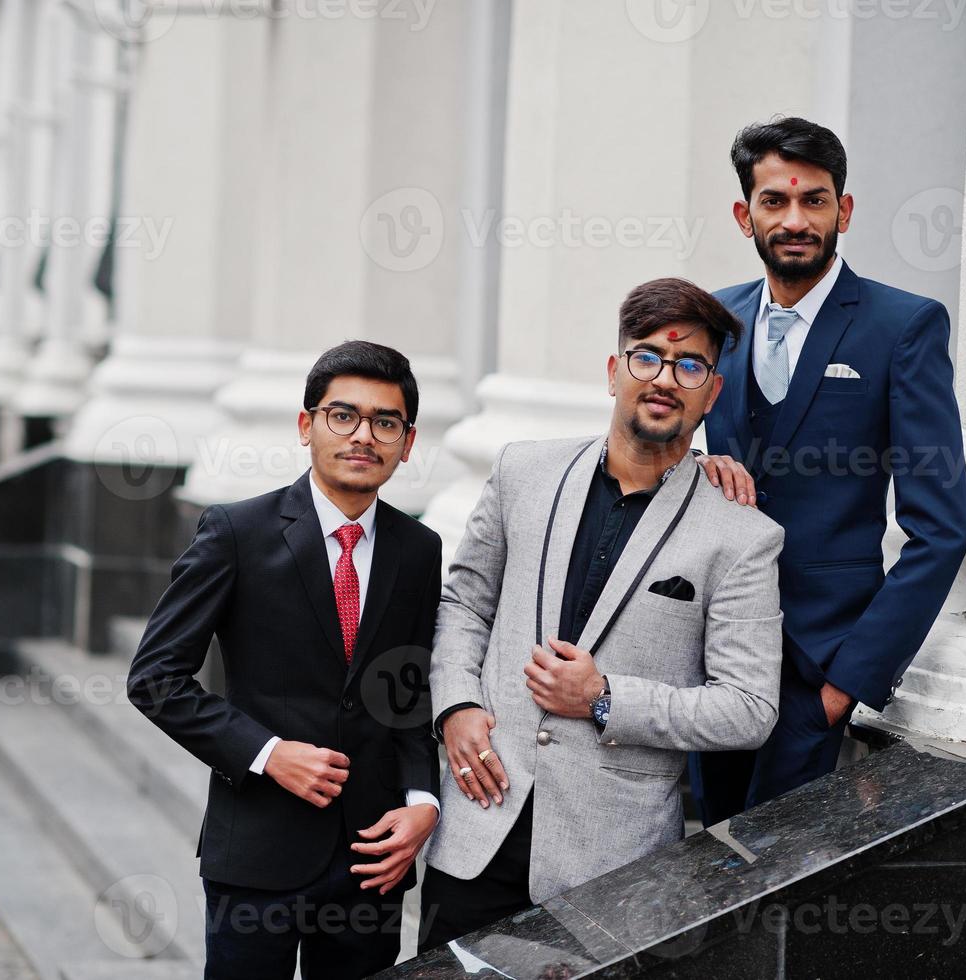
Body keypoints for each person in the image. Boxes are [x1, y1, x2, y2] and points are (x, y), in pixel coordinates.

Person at [419, 278, 784, 949]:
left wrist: (605, 697)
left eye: (689, 365)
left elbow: (749, 709)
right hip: (478, 828)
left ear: (712, 392)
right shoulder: (521, 472)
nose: (664, 379)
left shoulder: (741, 534)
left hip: (611, 864)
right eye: (646, 357)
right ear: (614, 371)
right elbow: (464, 604)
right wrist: (456, 707)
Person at [127, 341, 443, 979]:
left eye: (386, 422)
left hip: (371, 855)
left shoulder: (419, 548)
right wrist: (270, 754)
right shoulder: (236, 533)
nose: (364, 436)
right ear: (307, 426)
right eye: (342, 415)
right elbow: (155, 679)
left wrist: (423, 802)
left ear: (407, 443)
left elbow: (405, 692)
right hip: (258, 852)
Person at [691, 116, 966, 823]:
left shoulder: (901, 326)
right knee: (695, 870)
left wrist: (847, 684)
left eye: (813, 200)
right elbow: (655, 452)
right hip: (710, 657)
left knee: (783, 890)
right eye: (774, 202)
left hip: (818, 665)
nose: (794, 219)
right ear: (742, 214)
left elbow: (940, 529)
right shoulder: (711, 321)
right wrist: (698, 469)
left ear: (842, 210)